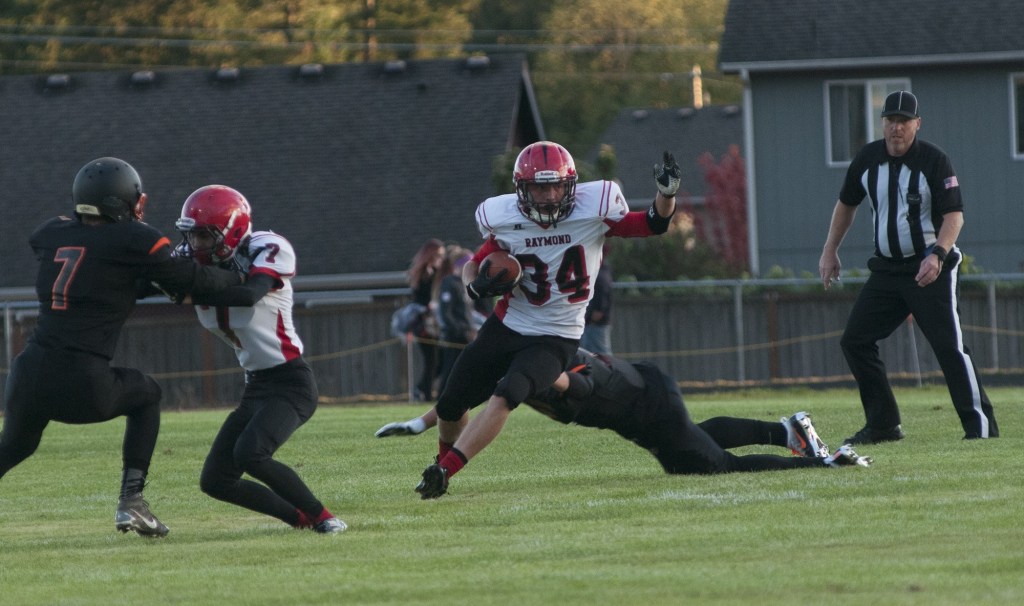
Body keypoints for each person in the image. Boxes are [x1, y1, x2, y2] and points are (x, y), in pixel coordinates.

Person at [415, 141, 681, 499]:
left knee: (507, 394)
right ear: (522, 189)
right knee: (450, 402)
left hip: (556, 334)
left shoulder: (593, 210)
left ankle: (445, 472)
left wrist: (666, 195)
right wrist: (474, 287)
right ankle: (439, 467)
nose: (550, 195)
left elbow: (652, 224)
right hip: (508, 324)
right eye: (540, 186)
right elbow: (475, 263)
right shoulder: (505, 219)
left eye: (556, 185)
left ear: (570, 184)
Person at [0, 157, 244, 538]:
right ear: (124, 203)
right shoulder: (135, 240)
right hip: (81, 379)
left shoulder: (52, 234)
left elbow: (105, 276)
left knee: (15, 448)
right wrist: (242, 275)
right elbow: (192, 281)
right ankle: (132, 501)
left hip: (27, 374)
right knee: (147, 395)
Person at [819, 90, 998, 443]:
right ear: (882, 123)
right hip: (887, 271)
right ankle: (884, 424)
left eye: (903, 121)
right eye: (890, 120)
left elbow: (954, 216)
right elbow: (846, 204)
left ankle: (980, 427)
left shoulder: (934, 160)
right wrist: (830, 251)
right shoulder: (867, 159)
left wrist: (938, 255)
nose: (896, 128)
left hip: (929, 269)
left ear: (917, 124)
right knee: (855, 341)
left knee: (949, 346)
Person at [379, 349, 872, 476]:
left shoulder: (548, 370)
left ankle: (823, 462)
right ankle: (786, 428)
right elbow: (469, 393)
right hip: (649, 391)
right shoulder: (523, 367)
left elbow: (578, 385)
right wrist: (420, 425)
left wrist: (547, 380)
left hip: (648, 407)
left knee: (714, 465)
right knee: (693, 444)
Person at [173, 184, 346, 534]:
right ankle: (298, 519)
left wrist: (195, 284)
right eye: (192, 237)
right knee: (216, 480)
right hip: (256, 384)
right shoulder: (189, 257)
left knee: (251, 454)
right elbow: (152, 283)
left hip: (291, 382)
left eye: (205, 236)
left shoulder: (265, 247)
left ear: (231, 231)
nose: (196, 246)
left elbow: (249, 294)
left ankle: (325, 518)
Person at [406, 238, 445, 401]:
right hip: (425, 324)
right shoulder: (427, 274)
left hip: (429, 323)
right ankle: (426, 394)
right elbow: (421, 300)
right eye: (439, 255)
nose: (441, 259)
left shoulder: (424, 273)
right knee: (432, 360)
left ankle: (421, 389)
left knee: (438, 360)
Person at [436, 246, 476, 394]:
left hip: (466, 333)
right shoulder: (449, 283)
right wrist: (461, 330)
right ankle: (442, 396)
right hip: (455, 335)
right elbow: (446, 313)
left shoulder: (464, 285)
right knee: (451, 368)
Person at [580, 248, 613, 354]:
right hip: (592, 324)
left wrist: (591, 319)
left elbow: (600, 308)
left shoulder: (600, 275)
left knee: (601, 357)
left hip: (595, 326)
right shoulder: (600, 272)